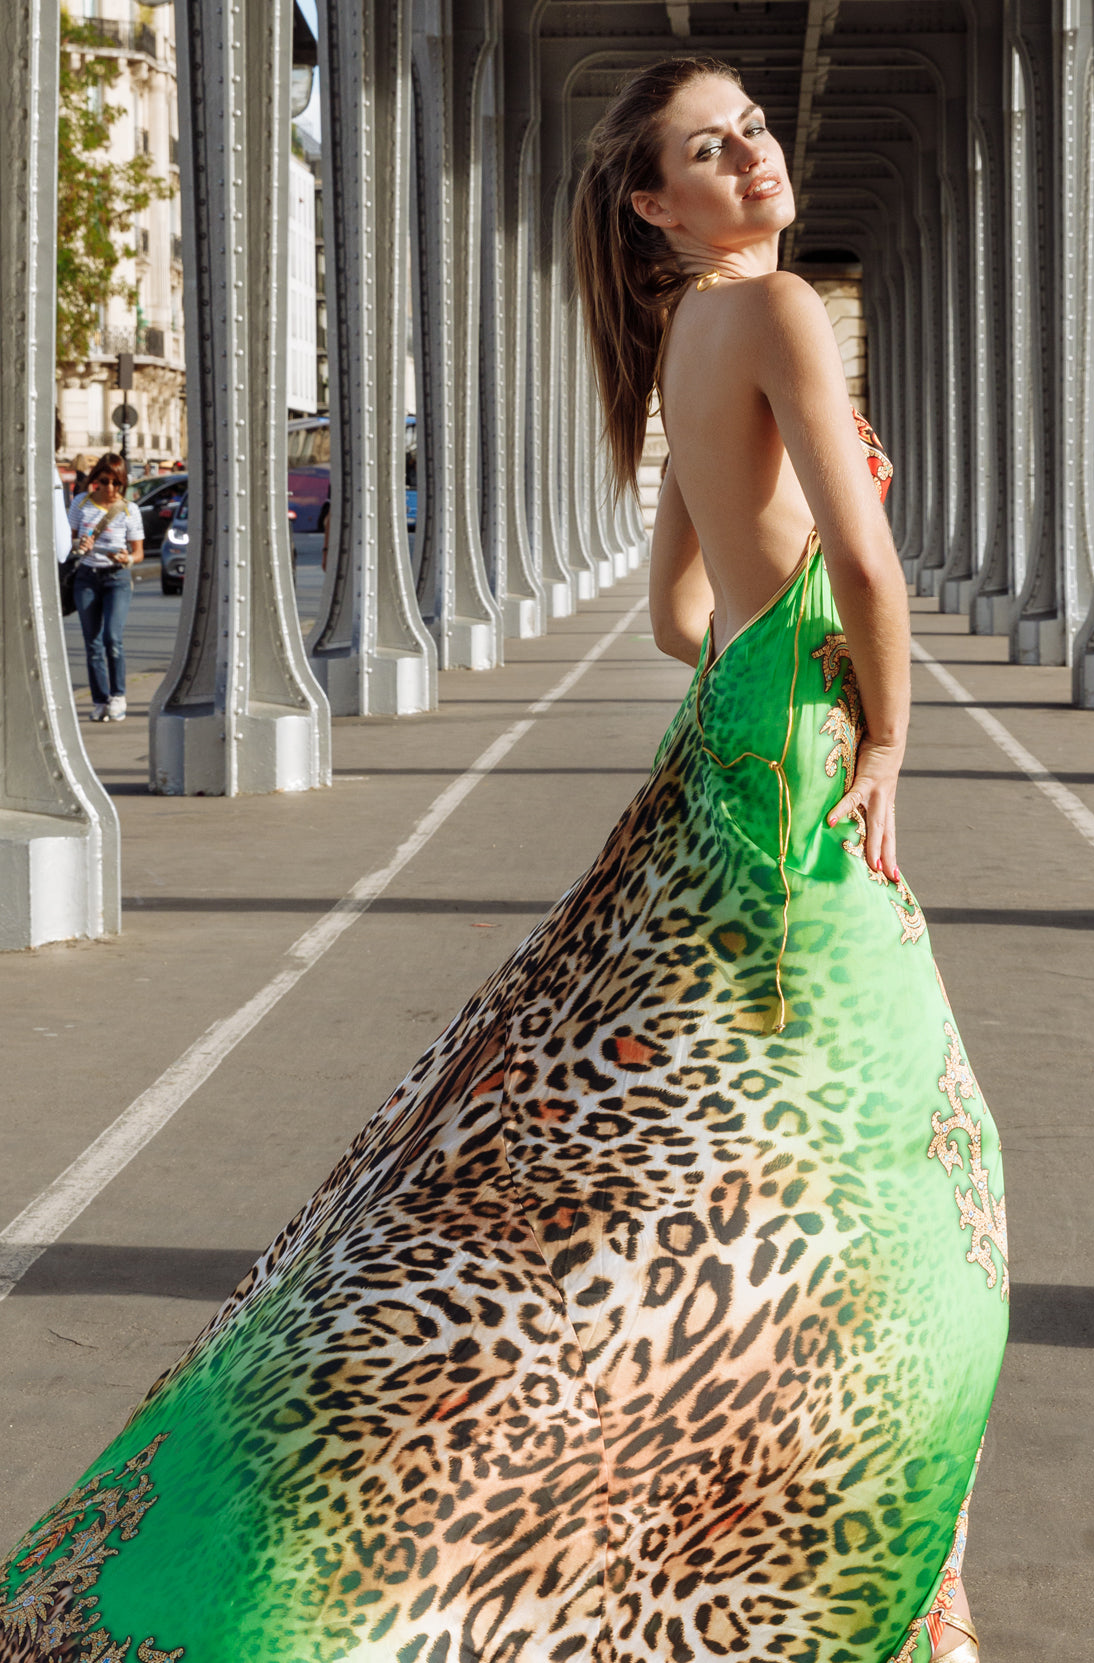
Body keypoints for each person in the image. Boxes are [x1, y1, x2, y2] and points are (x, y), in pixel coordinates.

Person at [0, 61, 1006, 1663]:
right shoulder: (785, 314)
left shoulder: (686, 335)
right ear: (653, 205)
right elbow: (869, 571)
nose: (750, 154)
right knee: (898, 1195)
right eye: (707, 148)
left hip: (726, 758)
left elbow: (683, 612)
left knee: (691, 1168)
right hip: (808, 775)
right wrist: (880, 733)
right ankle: (801, 1577)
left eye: (751, 127)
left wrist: (771, 619)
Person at [67, 451, 144, 722]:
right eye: (104, 481)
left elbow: (138, 553)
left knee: (112, 638)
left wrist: (127, 558)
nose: (110, 488)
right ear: (95, 479)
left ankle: (118, 695)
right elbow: (68, 543)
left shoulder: (128, 509)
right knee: (93, 643)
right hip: (87, 577)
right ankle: (100, 700)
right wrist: (79, 545)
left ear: (122, 483)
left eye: (116, 482)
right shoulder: (81, 503)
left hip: (117, 579)